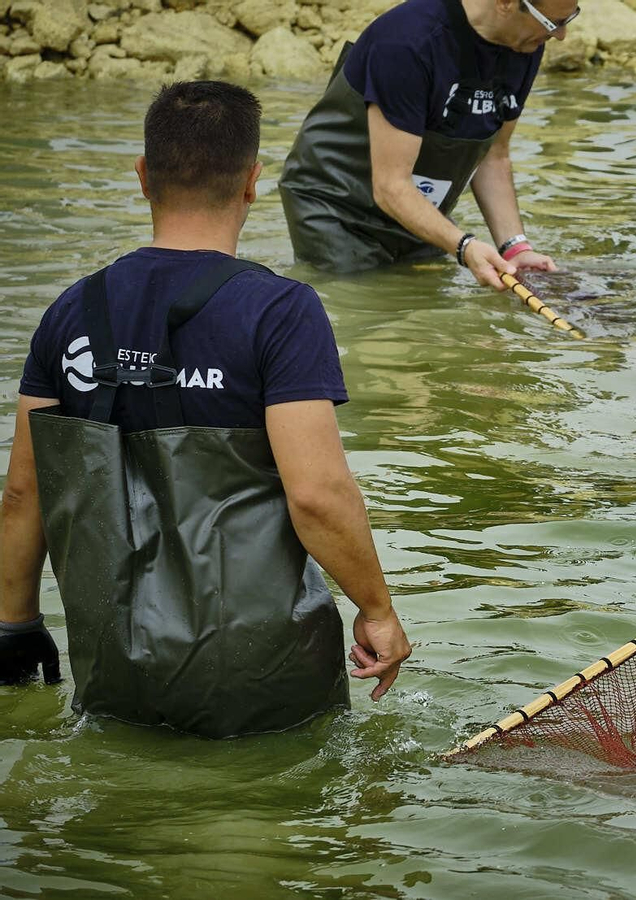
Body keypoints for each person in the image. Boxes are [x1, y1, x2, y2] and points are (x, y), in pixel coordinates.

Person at [0, 81, 411, 738]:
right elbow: (317, 495)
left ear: (142, 177)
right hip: (262, 670)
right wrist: (378, 609)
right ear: (252, 182)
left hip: (114, 668)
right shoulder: (280, 312)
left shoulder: (71, 312)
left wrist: (15, 628)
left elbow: (25, 491)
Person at [279, 0, 575, 286]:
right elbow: (391, 185)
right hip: (338, 209)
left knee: (428, 313)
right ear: (505, 3)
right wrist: (463, 246)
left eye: (568, 19)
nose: (561, 36)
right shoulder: (406, 43)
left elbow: (493, 157)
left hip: (419, 210)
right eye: (554, 23)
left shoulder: (525, 42)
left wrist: (516, 250)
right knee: (361, 308)